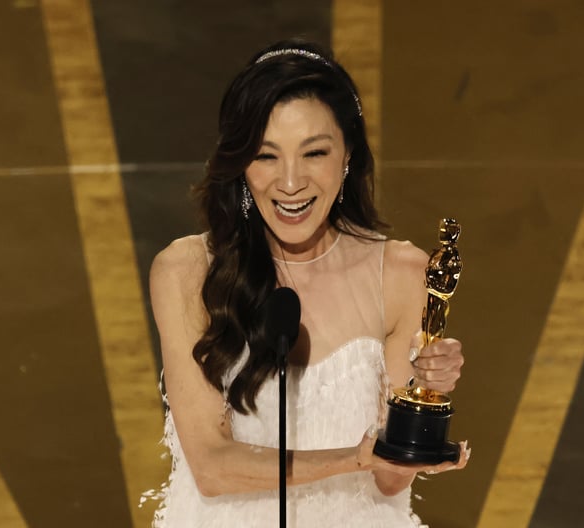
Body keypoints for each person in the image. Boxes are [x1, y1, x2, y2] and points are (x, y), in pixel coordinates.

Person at [148, 39, 470, 527]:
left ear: (348, 157)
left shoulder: (402, 276)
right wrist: (354, 459)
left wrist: (424, 400)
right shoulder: (188, 273)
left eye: (314, 152)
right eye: (266, 156)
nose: (291, 182)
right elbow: (211, 467)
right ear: (240, 167)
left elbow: (389, 480)